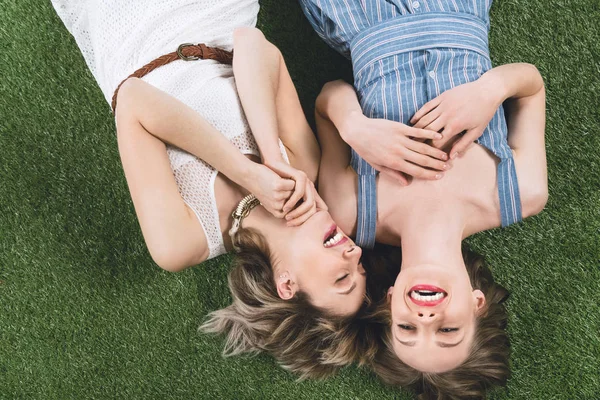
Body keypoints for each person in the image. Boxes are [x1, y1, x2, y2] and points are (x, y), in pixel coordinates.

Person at [51, 0, 370, 377]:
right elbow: (251, 43)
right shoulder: (303, 166)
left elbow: (134, 100)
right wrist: (273, 159)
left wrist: (249, 176)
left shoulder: (181, 241)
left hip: (128, 26)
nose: (355, 251)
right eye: (361, 266)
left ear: (287, 285)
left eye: (342, 278)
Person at [299, 0, 548, 397]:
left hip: (358, 15)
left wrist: (355, 127)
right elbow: (531, 86)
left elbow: (328, 99)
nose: (426, 316)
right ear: (477, 304)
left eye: (407, 328)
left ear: (391, 301)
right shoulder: (521, 193)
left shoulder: (353, 213)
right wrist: (489, 91)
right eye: (448, 330)